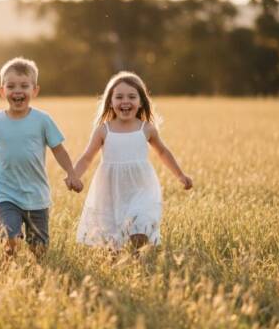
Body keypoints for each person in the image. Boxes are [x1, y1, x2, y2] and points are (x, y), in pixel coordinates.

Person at [0, 57, 83, 259]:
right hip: (6, 193)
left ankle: (37, 274)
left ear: (34, 91)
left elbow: (58, 149)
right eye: (11, 86)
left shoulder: (43, 120)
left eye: (24, 86)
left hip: (37, 195)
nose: (17, 91)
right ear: (2, 91)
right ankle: (9, 269)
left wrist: (71, 173)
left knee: (40, 250)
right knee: (10, 236)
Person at [73, 71, 192, 253]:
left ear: (141, 101)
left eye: (131, 96)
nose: (125, 101)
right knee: (112, 238)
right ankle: (118, 263)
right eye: (119, 97)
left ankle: (137, 260)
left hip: (141, 187)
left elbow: (162, 152)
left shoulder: (146, 129)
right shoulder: (103, 131)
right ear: (110, 103)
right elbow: (87, 157)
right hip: (111, 190)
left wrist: (180, 175)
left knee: (140, 227)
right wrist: (74, 176)